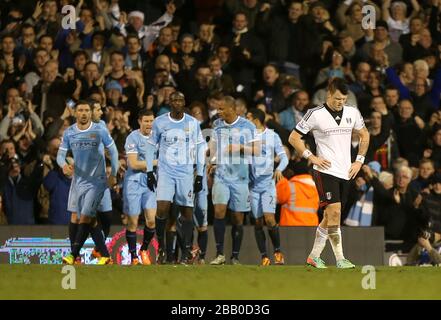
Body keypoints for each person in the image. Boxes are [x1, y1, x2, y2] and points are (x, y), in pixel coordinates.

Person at [289, 78, 370, 269]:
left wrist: (359, 161)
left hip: (346, 171)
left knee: (330, 216)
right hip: (324, 170)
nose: (340, 102)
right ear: (328, 94)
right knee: (334, 212)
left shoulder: (352, 112)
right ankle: (340, 259)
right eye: (337, 99)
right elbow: (294, 138)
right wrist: (311, 156)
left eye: (343, 99)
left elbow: (364, 135)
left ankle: (314, 256)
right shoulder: (315, 114)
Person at [57, 100, 119, 265]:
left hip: (96, 181)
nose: (83, 113)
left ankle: (72, 256)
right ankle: (103, 255)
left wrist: (113, 174)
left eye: (86, 110)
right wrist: (63, 165)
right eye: (80, 110)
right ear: (75, 113)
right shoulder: (70, 132)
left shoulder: (100, 130)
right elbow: (60, 155)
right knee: (80, 218)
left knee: (85, 217)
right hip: (78, 181)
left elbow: (113, 151)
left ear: (90, 113)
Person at [148, 91, 205, 265]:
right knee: (162, 210)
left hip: (186, 173)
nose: (178, 103)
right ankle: (162, 249)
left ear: (184, 102)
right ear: (169, 103)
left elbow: (200, 148)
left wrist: (200, 174)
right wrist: (150, 171)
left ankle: (187, 251)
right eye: (175, 100)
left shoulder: (193, 123)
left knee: (187, 212)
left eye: (181, 100)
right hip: (165, 172)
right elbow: (151, 146)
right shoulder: (160, 122)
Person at [209, 96, 257, 265]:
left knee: (238, 218)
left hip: (241, 178)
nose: (219, 112)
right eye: (218, 109)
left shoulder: (248, 126)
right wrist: (212, 162)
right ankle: (220, 254)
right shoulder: (217, 126)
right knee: (219, 211)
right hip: (222, 176)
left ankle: (235, 256)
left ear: (232, 109)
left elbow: (257, 150)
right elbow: (213, 148)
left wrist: (240, 147)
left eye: (222, 109)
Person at [247, 108, 288, 266]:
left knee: (270, 220)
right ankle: (264, 256)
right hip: (252, 186)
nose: (246, 120)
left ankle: (277, 252)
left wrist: (279, 169)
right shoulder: (246, 136)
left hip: (267, 185)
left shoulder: (272, 136)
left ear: (256, 120)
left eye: (248, 117)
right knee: (257, 222)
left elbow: (284, 158)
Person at [123, 109, 157, 265]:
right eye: (146, 121)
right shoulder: (133, 137)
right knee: (133, 222)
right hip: (134, 183)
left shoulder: (158, 138)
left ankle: (143, 249)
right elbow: (133, 163)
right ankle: (133, 257)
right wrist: (154, 163)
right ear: (139, 121)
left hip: (151, 183)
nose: (149, 124)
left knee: (151, 221)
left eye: (151, 121)